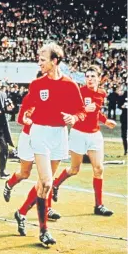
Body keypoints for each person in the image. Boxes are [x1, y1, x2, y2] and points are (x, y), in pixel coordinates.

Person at [20, 42, 86, 246]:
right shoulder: (37, 84)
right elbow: (26, 107)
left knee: (43, 185)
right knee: (47, 182)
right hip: (39, 133)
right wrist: (24, 117)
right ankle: (43, 231)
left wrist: (74, 119)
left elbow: (81, 111)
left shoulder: (70, 85)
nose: (39, 63)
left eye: (43, 59)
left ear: (54, 60)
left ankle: (21, 212)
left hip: (59, 135)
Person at [52, 65, 117, 216]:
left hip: (95, 135)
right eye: (87, 76)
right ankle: (55, 184)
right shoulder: (80, 92)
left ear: (99, 79)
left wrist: (105, 121)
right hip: (78, 133)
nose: (90, 79)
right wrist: (82, 111)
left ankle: (98, 205)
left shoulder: (102, 93)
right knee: (74, 169)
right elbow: (72, 109)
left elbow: (97, 111)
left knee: (99, 169)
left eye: (93, 76)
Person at [3, 94, 61, 238]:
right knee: (25, 173)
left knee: (46, 179)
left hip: (47, 139)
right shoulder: (32, 96)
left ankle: (34, 211)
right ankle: (9, 184)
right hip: (29, 138)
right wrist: (28, 120)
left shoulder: (59, 95)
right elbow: (20, 118)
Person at [118, 89, 127, 155]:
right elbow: (119, 104)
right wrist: (121, 106)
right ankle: (125, 150)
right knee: (124, 135)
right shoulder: (123, 95)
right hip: (124, 118)